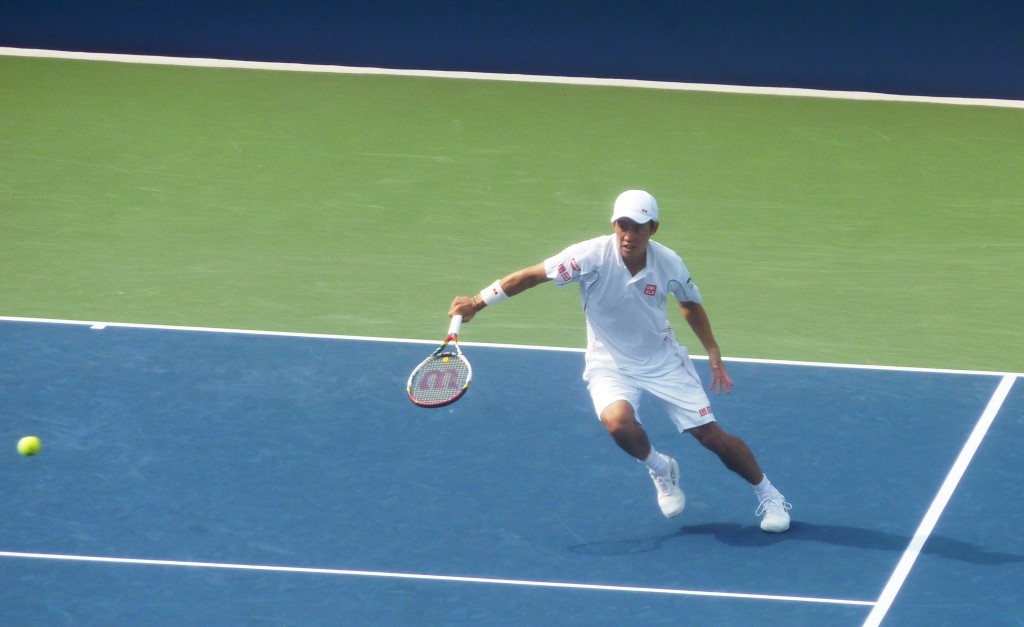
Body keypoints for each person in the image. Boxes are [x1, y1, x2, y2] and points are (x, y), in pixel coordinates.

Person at [448, 190, 792, 532]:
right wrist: (477, 303)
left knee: (710, 436)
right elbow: (530, 276)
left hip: (662, 359)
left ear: (653, 229)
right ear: (614, 225)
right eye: (622, 225)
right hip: (608, 361)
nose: (629, 235)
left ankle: (770, 495)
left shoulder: (670, 262)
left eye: (638, 227)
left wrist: (713, 350)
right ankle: (660, 468)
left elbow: (689, 304)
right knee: (617, 423)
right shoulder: (588, 256)